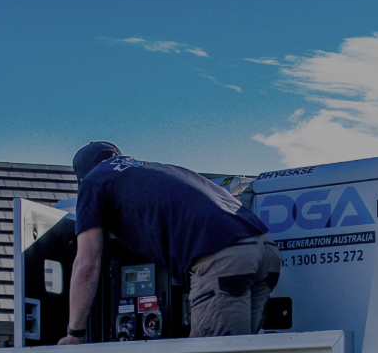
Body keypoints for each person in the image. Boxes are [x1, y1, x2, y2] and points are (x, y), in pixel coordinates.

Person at [58, 141, 281, 342]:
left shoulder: (93, 181)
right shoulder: (153, 169)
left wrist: (74, 334)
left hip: (222, 256)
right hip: (264, 248)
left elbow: (86, 263)